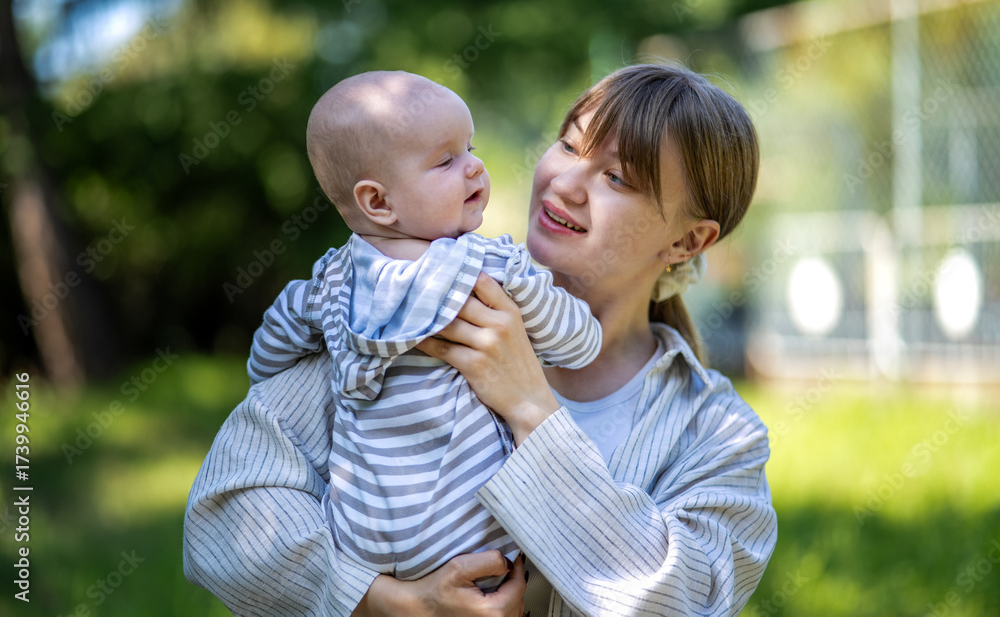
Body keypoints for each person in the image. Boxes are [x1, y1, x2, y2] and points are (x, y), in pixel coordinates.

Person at [184, 63, 777, 616]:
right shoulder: (405, 310)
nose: (566, 182)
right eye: (569, 145)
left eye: (617, 177)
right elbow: (223, 522)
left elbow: (678, 598)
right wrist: (392, 603)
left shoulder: (719, 435)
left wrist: (531, 407)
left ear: (687, 242)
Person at [242, 71, 602, 589]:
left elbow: (267, 361)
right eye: (446, 160)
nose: (475, 166)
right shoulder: (487, 269)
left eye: (470, 148)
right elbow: (579, 343)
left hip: (362, 543)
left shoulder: (326, 286)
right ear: (378, 202)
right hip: (472, 535)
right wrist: (554, 312)